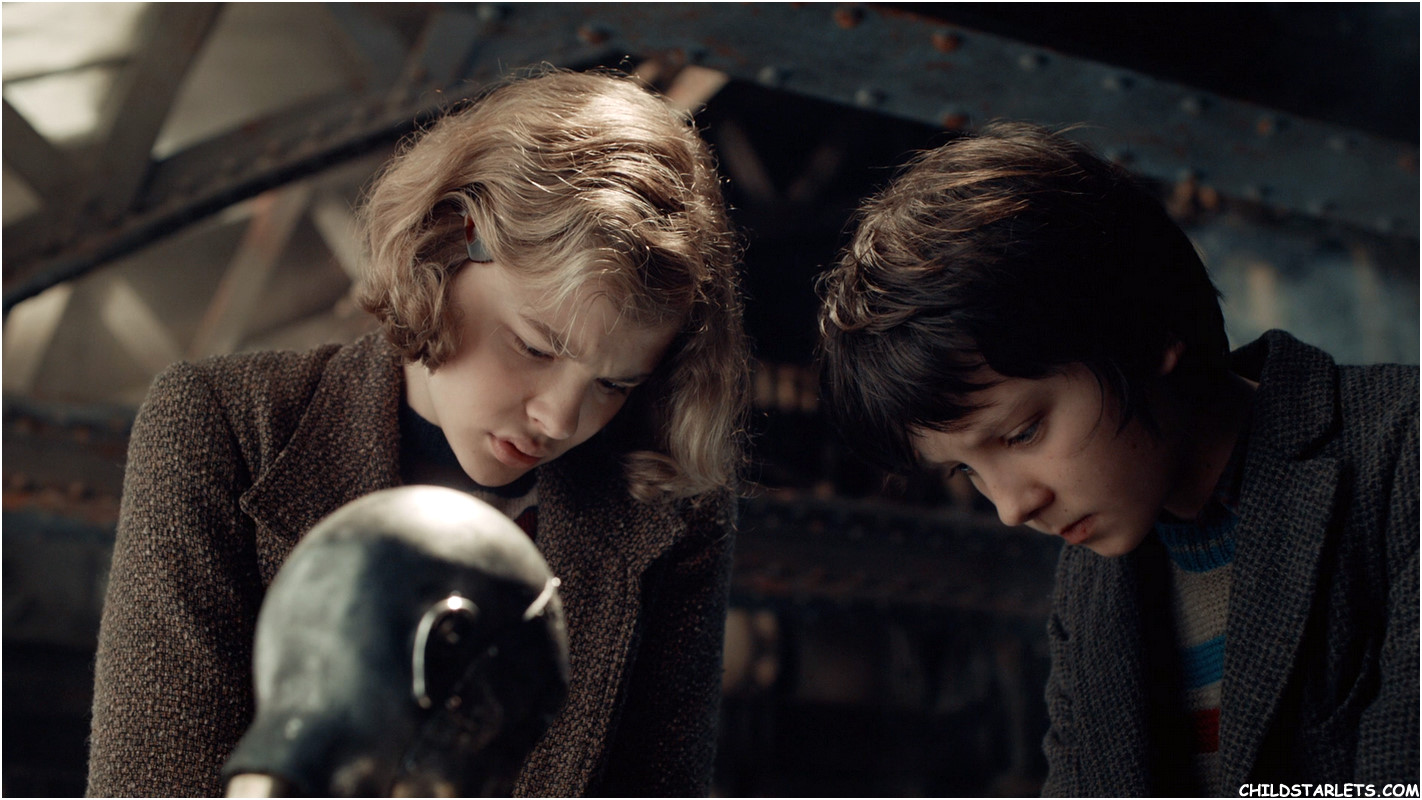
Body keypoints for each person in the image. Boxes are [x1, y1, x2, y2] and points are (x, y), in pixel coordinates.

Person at [88, 67, 749, 797]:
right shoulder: (222, 423)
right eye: (535, 346)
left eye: (615, 384)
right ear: (449, 240)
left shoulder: (670, 510)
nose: (561, 419)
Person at [816, 121, 1418, 795]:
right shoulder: (1095, 587)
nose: (1012, 507)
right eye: (966, 470)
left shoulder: (1402, 457)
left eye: (1022, 433)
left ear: (1146, 331)